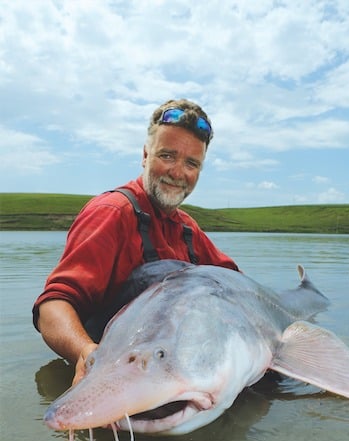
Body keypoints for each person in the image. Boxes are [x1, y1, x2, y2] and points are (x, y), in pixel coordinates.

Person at [33, 98, 239, 385]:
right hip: (119, 373)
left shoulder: (188, 229)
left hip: (176, 372)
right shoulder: (112, 213)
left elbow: (237, 288)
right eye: (167, 156)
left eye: (191, 163)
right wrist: (87, 354)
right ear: (145, 155)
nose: (178, 173)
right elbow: (53, 305)